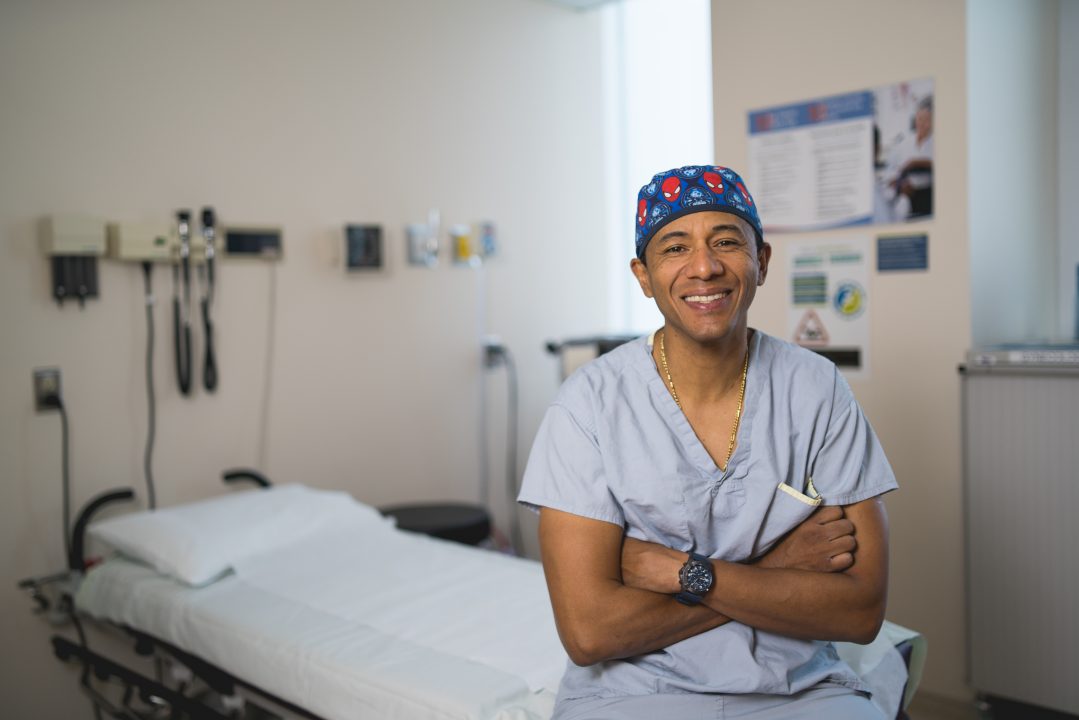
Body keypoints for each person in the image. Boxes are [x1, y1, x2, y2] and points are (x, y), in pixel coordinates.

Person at [518, 165, 897, 719]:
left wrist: (681, 572)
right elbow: (590, 633)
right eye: (675, 247)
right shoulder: (588, 406)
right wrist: (775, 566)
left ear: (761, 262)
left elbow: (861, 612)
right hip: (631, 691)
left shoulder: (816, 389)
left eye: (726, 241)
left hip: (800, 688)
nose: (704, 267)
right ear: (644, 276)